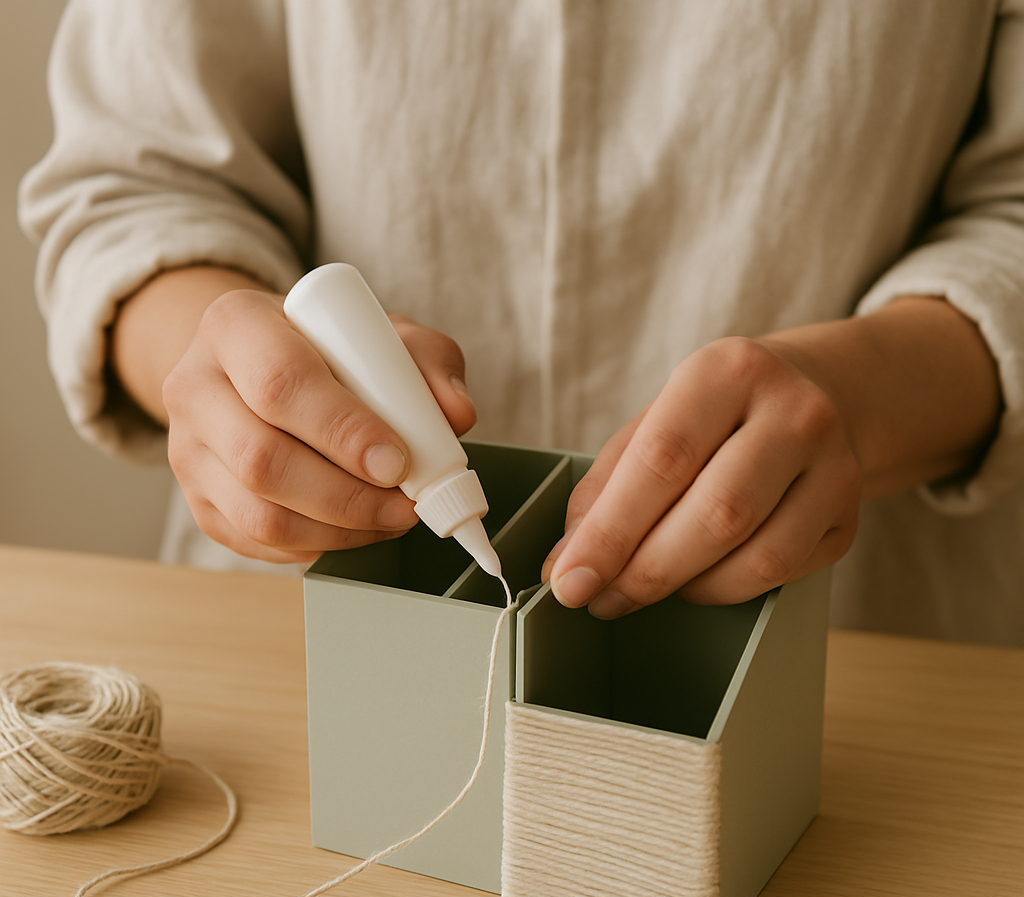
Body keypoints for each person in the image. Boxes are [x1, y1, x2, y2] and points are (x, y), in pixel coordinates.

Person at [18, 1, 1024, 645]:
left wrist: (864, 397)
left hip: (868, 660)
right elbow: (134, 182)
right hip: (291, 657)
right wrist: (226, 376)